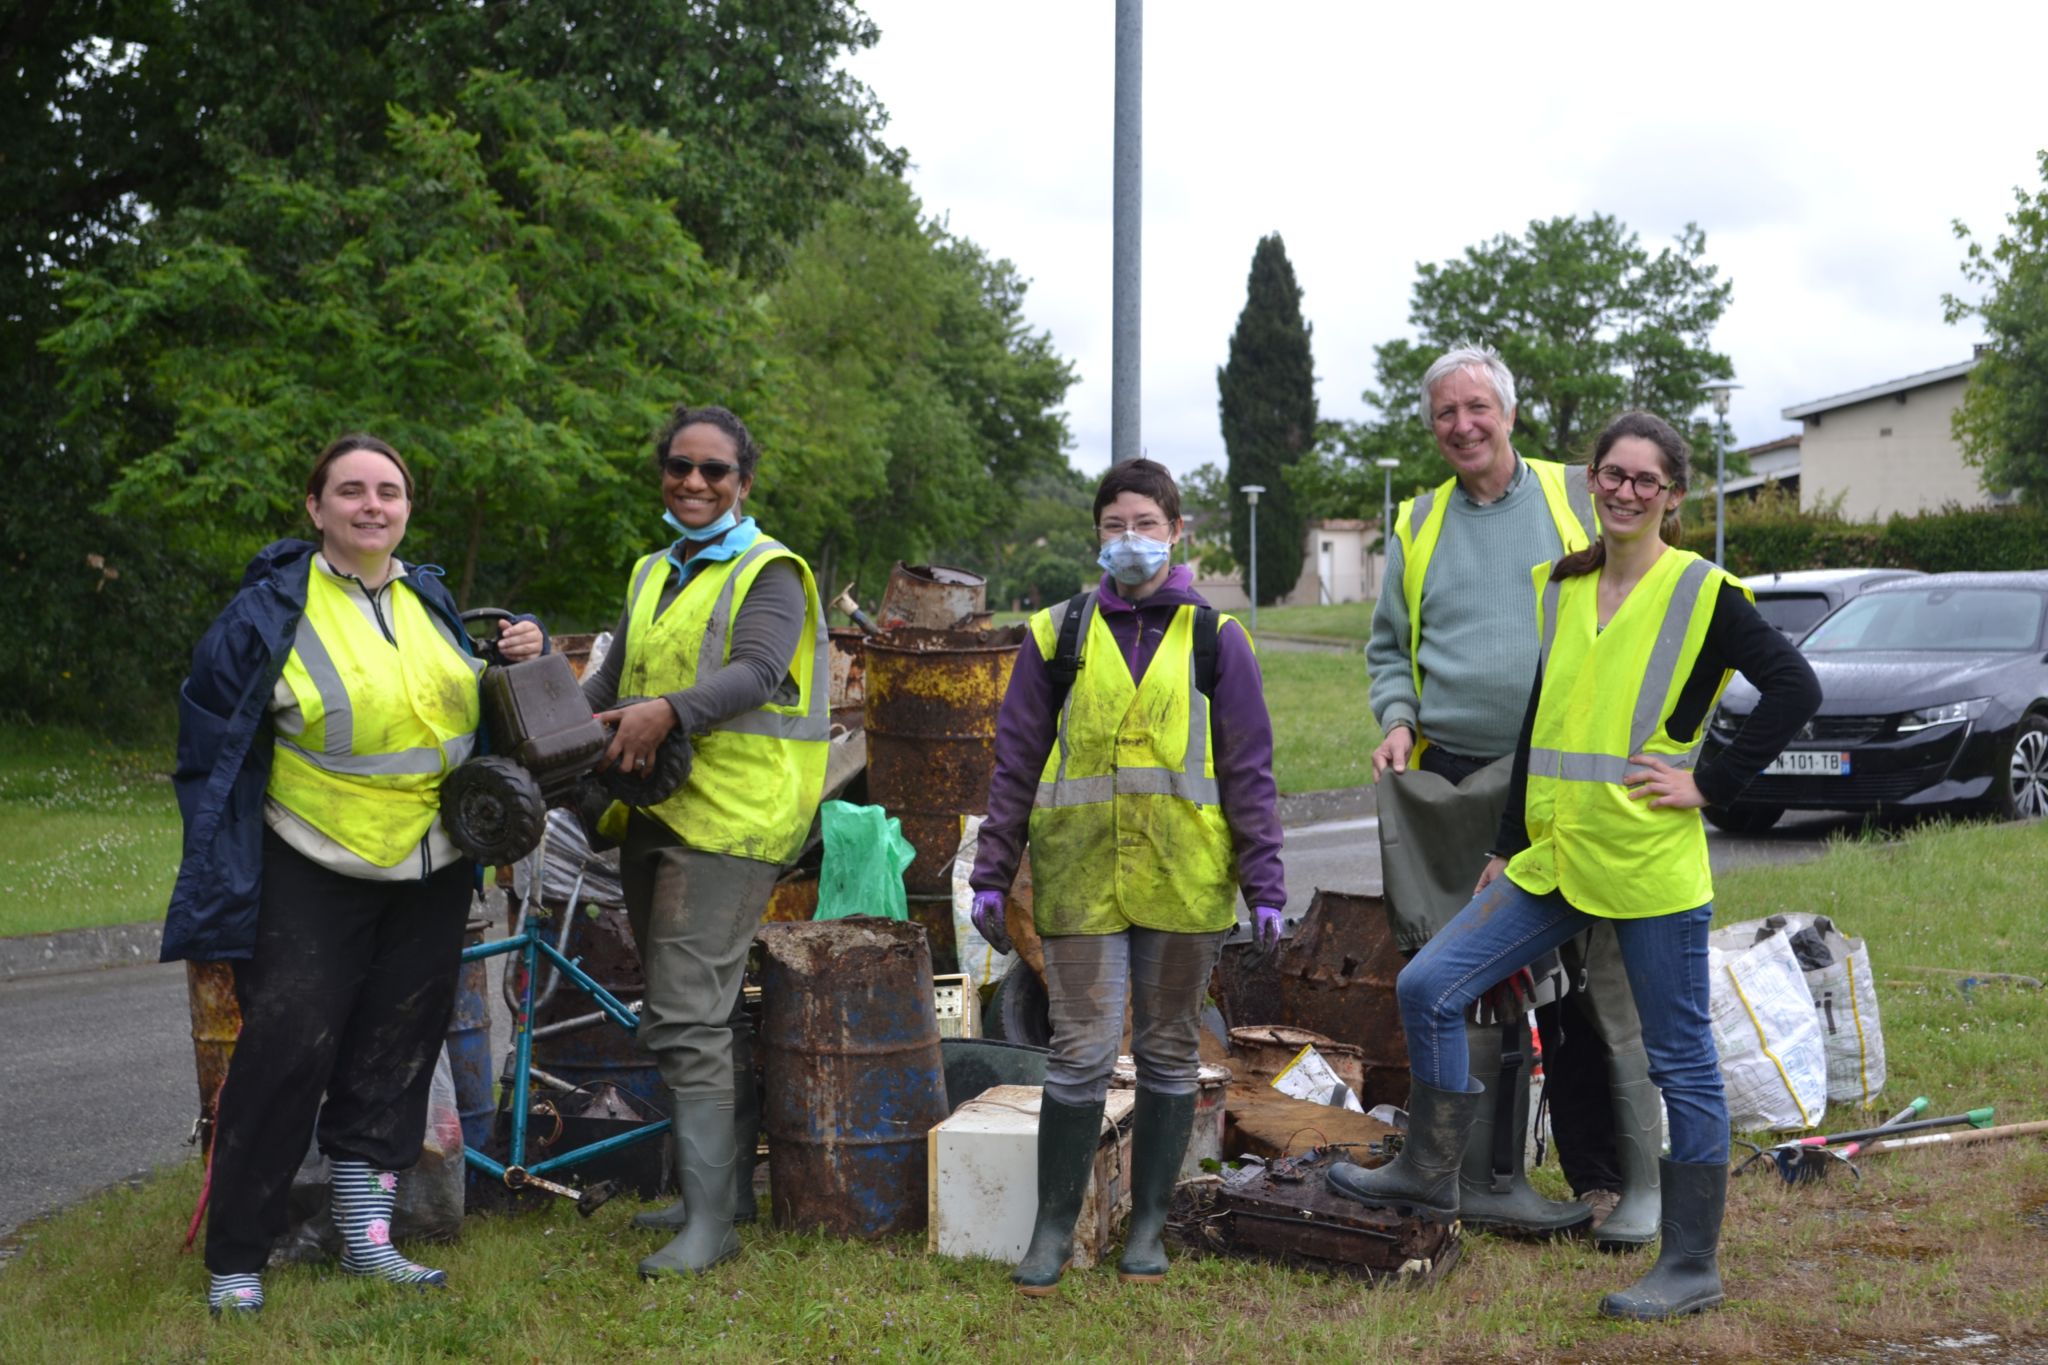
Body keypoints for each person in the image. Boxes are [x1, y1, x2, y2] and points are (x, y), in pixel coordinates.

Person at [1328, 412, 1821, 1320]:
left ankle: (1690, 1262)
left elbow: (1797, 687)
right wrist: (1504, 846)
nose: (1625, 490)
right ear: (1591, 480)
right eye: (1612, 474)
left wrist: (1710, 781)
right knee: (1430, 984)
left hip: (1645, 866)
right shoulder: (1562, 583)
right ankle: (1427, 1178)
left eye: (1645, 479)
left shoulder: (1705, 591)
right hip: (1550, 857)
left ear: (1674, 495)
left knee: (1680, 1059)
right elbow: (1537, 725)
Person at [167, 434, 546, 1316]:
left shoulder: (430, 598)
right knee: (285, 1054)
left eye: (389, 490)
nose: (372, 505)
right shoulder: (267, 612)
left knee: (395, 1053)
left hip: (431, 865)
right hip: (313, 862)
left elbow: (462, 713)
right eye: (351, 491)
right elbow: (211, 752)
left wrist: (514, 659)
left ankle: (365, 1237)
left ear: (407, 506)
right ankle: (238, 1257)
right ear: (315, 508)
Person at [968, 458, 1287, 1296]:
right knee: (1077, 1053)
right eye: (1115, 526)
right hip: (1080, 880)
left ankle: (1147, 1224)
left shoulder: (1218, 639)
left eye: (1147, 524)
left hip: (1185, 882)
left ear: (1178, 532)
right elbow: (1014, 763)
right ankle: (1052, 1226)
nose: (1131, 540)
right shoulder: (1055, 634)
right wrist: (993, 872)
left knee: (1169, 1050)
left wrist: (1267, 886)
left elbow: (1251, 770)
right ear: (1097, 535)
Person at [1365, 343, 1647, 1243]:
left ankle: (1610, 1179)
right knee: (1473, 980)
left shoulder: (1578, 493)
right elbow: (1385, 648)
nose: (1463, 425)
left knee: (1591, 988)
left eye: (1477, 407)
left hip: (1570, 775)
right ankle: (1478, 1175)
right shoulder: (1417, 523)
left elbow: (1640, 600)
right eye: (1446, 413)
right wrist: (1399, 715)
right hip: (1454, 777)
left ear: (1510, 414)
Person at [580, 403, 829, 1279]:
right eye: (680, 466)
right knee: (703, 1012)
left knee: (686, 1013)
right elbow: (610, 681)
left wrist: (667, 712)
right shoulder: (654, 571)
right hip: (656, 813)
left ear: (743, 484)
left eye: (714, 471)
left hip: (730, 820)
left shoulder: (772, 572)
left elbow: (758, 671)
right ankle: (715, 1194)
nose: (693, 482)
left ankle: (711, 1225)